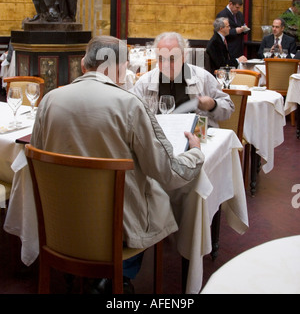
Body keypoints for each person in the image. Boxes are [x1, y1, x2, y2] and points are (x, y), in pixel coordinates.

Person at [30, 35, 204, 293]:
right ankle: (118, 277)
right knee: (155, 196)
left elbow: (37, 156)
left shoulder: (49, 101)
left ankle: (83, 275)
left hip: (61, 224)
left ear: (82, 64)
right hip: (115, 230)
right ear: (121, 68)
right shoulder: (129, 104)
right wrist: (196, 154)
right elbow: (168, 172)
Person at [132, 31, 234, 128]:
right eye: (161, 58)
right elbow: (130, 113)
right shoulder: (145, 82)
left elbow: (228, 109)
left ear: (184, 57)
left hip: (196, 137)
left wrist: (213, 105)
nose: (166, 64)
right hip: (158, 140)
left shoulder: (202, 77)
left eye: (172, 59)